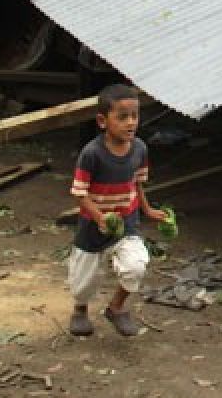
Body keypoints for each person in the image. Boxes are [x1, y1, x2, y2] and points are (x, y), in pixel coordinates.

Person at [67, 83, 166, 337]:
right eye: (122, 117)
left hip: (127, 223)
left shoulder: (140, 149)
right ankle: (80, 309)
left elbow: (138, 183)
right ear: (103, 120)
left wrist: (147, 209)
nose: (130, 123)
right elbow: (79, 193)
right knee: (84, 279)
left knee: (136, 265)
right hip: (93, 226)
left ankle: (117, 307)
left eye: (134, 116)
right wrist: (100, 217)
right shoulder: (92, 154)